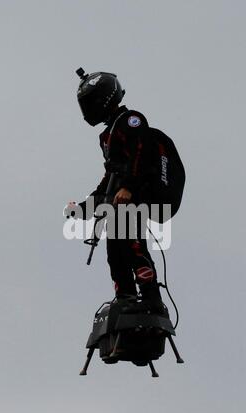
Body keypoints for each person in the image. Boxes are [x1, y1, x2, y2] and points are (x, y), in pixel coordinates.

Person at [67, 68, 170, 310]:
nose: (89, 109)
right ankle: (126, 297)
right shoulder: (107, 134)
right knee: (114, 251)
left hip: (134, 198)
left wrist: (129, 188)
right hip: (118, 204)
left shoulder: (131, 120)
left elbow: (140, 154)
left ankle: (151, 297)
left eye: (91, 102)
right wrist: (86, 207)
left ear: (105, 97)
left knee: (132, 245)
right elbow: (110, 176)